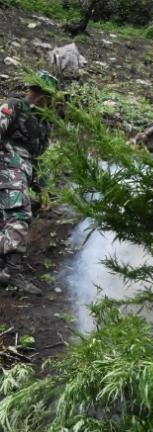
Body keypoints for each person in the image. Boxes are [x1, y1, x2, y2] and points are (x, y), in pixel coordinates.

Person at [0, 71, 59, 295]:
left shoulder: (44, 123)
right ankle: (12, 271)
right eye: (36, 91)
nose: (35, 95)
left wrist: (43, 188)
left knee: (7, 217)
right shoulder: (14, 106)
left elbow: (38, 158)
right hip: (7, 165)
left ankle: (4, 264)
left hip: (24, 171)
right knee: (19, 214)